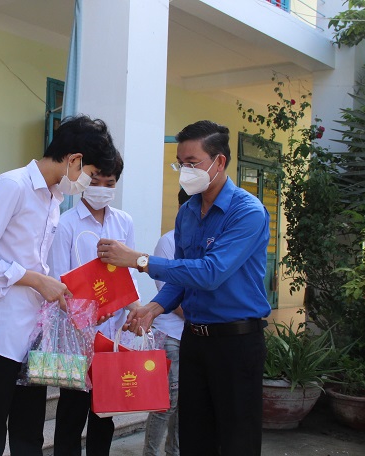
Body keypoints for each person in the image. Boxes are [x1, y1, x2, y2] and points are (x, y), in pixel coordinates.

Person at [96, 120, 271, 456]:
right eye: (181, 163)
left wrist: (139, 260)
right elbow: (181, 276)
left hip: (236, 343)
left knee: (237, 439)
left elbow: (210, 273)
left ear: (219, 162)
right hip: (194, 341)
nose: (185, 171)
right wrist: (154, 307)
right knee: (193, 436)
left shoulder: (247, 212)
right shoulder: (188, 211)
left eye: (193, 163)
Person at [0, 115, 118, 456]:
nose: (88, 183)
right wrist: (35, 280)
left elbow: (35, 264)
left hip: (35, 335)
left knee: (29, 433)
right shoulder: (12, 186)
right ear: (74, 159)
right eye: (90, 174)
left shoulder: (53, 198)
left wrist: (62, 291)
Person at [48, 152, 139, 456]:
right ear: (85, 180)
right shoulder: (66, 222)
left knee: (105, 411)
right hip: (76, 333)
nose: (101, 187)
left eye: (109, 182)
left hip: (111, 335)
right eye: (95, 180)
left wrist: (132, 307)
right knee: (72, 410)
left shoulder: (123, 221)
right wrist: (87, 313)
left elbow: (129, 275)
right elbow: (58, 277)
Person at [142, 188, 190, 456]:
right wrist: (201, 314)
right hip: (171, 337)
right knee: (164, 405)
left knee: (186, 406)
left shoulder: (205, 242)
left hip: (193, 338)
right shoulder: (168, 242)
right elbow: (171, 296)